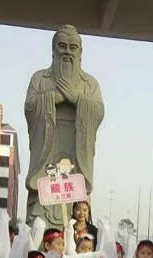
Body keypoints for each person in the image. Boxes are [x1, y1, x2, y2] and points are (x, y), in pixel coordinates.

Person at [24, 25, 105, 228]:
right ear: (53, 50)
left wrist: (77, 99)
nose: (68, 52)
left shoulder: (90, 83)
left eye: (73, 47)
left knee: (74, 193)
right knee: (45, 195)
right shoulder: (40, 78)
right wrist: (54, 98)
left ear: (80, 52)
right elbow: (30, 107)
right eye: (62, 46)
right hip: (47, 148)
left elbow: (98, 111)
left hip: (76, 147)